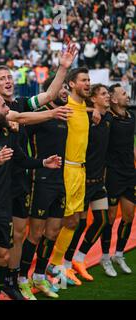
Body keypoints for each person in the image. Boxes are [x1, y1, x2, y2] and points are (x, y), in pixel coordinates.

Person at [0, 43, 77, 299]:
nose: (7, 81)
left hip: (21, 177)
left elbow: (48, 96)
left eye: (9, 77)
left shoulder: (19, 101)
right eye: (1, 78)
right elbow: (21, 118)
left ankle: (13, 280)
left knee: (19, 233)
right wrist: (52, 115)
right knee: (1, 238)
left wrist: (62, 68)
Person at [0, 91, 61, 300]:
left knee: (3, 257)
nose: (8, 109)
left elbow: (21, 159)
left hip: (3, 205)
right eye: (3, 107)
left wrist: (43, 163)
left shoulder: (9, 133)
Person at [18, 78, 70, 300]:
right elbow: (20, 141)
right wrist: (31, 166)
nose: (65, 91)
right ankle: (22, 279)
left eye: (67, 87)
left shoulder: (64, 114)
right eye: (62, 87)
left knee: (53, 232)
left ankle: (39, 276)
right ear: (52, 91)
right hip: (41, 180)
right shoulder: (40, 115)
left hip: (60, 180)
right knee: (36, 233)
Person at [62, 84, 112, 281]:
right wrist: (92, 111)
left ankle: (80, 259)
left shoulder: (107, 117)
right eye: (103, 94)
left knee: (102, 221)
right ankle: (65, 264)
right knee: (78, 225)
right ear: (92, 98)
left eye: (109, 94)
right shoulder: (85, 117)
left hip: (98, 181)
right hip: (82, 179)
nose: (107, 96)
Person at [48, 67, 91, 286]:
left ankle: (56, 265)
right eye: (83, 80)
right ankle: (47, 268)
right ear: (72, 84)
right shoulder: (66, 109)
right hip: (66, 170)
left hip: (80, 171)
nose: (88, 83)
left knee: (74, 221)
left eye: (89, 79)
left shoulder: (85, 108)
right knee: (59, 222)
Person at [99, 84, 135, 276]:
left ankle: (118, 254)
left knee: (129, 217)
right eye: (123, 94)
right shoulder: (107, 119)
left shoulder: (132, 117)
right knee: (110, 219)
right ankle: (105, 257)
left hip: (130, 173)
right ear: (113, 99)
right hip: (112, 174)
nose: (127, 96)